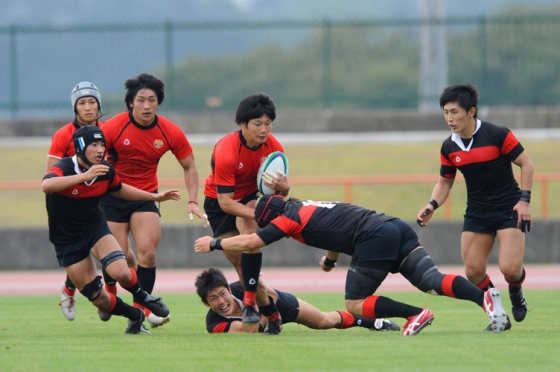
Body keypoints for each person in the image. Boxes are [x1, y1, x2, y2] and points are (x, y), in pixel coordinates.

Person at [195, 195, 512, 336]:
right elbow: (334, 231)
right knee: (432, 278)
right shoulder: (307, 206)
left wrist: (215, 243)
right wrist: (331, 260)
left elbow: (251, 242)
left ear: (271, 218)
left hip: (372, 237)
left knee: (355, 303)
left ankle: (414, 314)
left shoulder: (287, 220)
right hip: (393, 226)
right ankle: (485, 297)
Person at [415, 84, 534, 330]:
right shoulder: (449, 146)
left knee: (510, 270)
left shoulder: (497, 134)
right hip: (478, 212)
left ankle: (516, 291)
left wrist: (524, 201)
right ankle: (498, 314)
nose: (450, 118)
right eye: (446, 112)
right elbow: (445, 181)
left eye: (455, 112)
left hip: (508, 208)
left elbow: (527, 164)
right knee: (473, 272)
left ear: (471, 111)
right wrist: (431, 204)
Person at [43, 125, 177, 334]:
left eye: (102, 145)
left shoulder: (105, 170)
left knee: (121, 272)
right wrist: (84, 177)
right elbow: (47, 185)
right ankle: (136, 316)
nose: (100, 150)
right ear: (80, 147)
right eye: (94, 145)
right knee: (101, 301)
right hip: (66, 240)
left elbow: (120, 189)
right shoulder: (65, 167)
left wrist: (153, 196)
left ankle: (143, 297)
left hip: (94, 228)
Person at [101, 73, 207, 329]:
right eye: (140, 100)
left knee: (146, 253)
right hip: (112, 196)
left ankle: (137, 315)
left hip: (146, 196)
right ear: (130, 103)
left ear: (158, 102)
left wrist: (192, 200)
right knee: (118, 257)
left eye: (152, 100)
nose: (146, 105)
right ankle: (110, 292)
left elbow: (189, 166)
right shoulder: (113, 128)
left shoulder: (169, 131)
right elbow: (95, 162)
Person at [202, 92, 289, 333]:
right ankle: (271, 315)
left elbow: (275, 194)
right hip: (220, 204)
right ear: (243, 124)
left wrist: (284, 191)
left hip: (251, 198)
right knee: (241, 263)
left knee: (250, 238)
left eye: (268, 123)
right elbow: (226, 203)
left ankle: (249, 304)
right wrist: (260, 215)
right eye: (257, 124)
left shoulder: (274, 149)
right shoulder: (226, 150)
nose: (264, 130)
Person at [47, 81, 108, 322]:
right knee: (87, 250)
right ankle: (72, 289)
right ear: (75, 107)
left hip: (100, 197)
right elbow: (50, 175)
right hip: (72, 203)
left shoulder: (106, 131)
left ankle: (126, 299)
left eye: (92, 101)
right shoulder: (63, 135)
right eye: (82, 103)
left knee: (117, 255)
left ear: (99, 105)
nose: (88, 107)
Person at [194, 267, 400, 334]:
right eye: (213, 299)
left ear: (229, 289)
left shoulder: (242, 287)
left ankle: (376, 323)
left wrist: (271, 318)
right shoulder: (214, 323)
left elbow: (271, 295)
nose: (221, 301)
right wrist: (268, 323)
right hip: (265, 320)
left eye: (222, 294)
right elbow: (248, 330)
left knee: (325, 322)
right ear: (206, 303)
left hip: (282, 304)